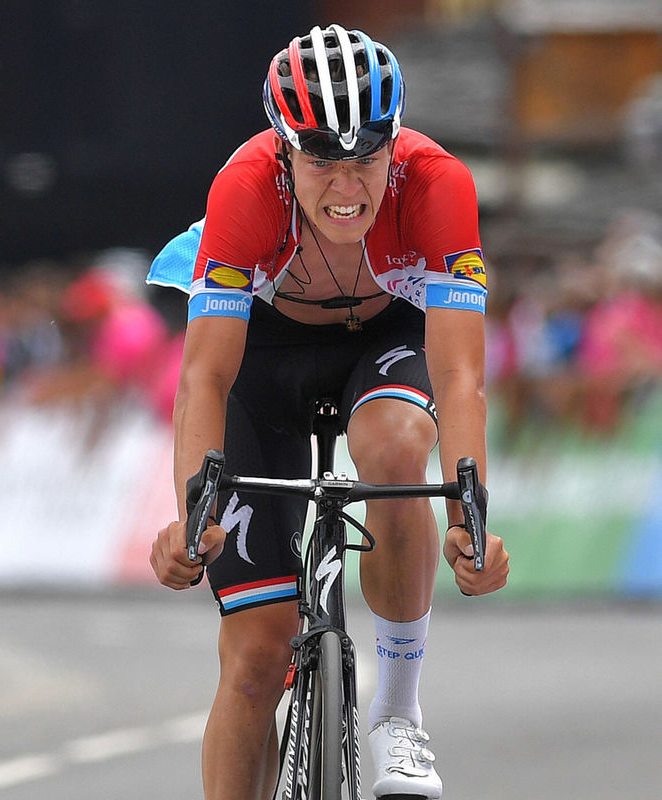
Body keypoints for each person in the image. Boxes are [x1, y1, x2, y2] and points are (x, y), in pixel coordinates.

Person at [146, 25, 510, 799]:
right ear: (283, 150)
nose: (348, 190)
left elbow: (458, 370)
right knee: (252, 658)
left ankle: (399, 718)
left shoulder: (438, 183)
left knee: (394, 443)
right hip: (263, 361)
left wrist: (469, 515)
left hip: (383, 344)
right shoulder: (244, 188)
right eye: (320, 161)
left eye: (367, 159)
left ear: (395, 144)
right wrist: (192, 512)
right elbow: (205, 377)